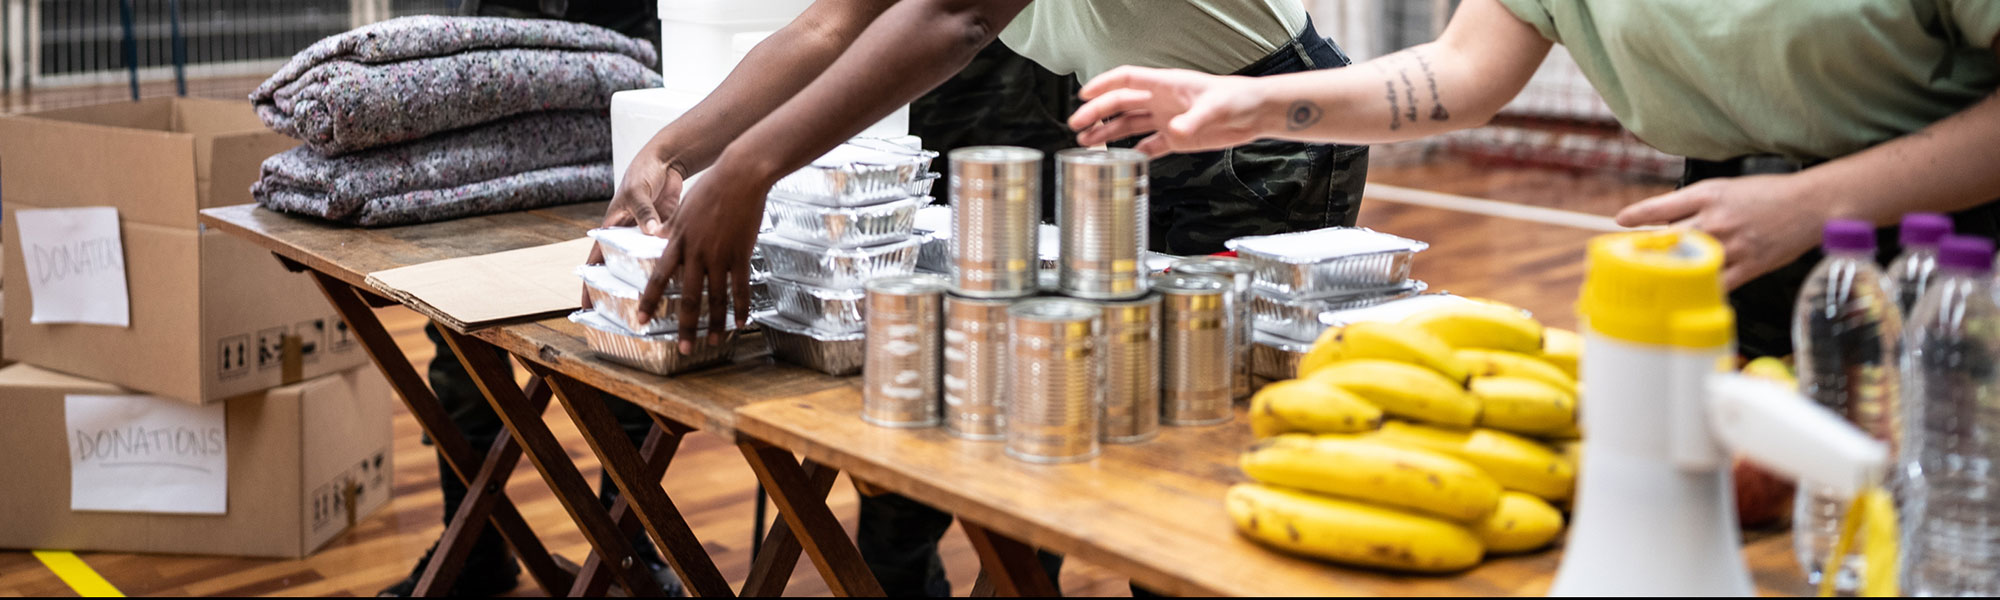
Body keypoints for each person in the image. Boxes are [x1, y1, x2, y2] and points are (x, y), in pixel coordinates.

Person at [605, 1, 1366, 594]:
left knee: (1186, 477)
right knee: (1113, 437)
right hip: (1147, 135)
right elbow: (827, 25)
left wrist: (747, 169)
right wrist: (673, 148)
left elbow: (955, 17)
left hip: (1259, 136)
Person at [1067, 0, 2000, 359]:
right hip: (1739, 219)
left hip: (1956, 236)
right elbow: (1463, 72)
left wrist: (1815, 204)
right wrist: (1258, 105)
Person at [377, 1, 682, 597]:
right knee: (460, 325)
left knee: (626, 309)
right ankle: (473, 541)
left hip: (614, 25)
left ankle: (632, 547)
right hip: (493, 24)